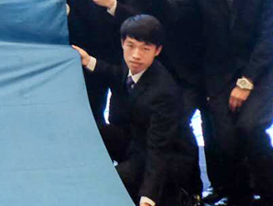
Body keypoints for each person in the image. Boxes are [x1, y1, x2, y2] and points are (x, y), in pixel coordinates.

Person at [153, 0, 273, 206]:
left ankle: (271, 196)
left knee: (250, 127)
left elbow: (269, 38)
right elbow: (176, 19)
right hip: (221, 73)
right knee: (224, 136)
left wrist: (247, 81)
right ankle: (238, 196)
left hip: (264, 69)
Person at [71, 16, 202, 206]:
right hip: (136, 140)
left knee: (113, 182)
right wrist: (88, 61)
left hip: (168, 156)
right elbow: (117, 74)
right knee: (92, 130)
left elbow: (159, 149)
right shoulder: (134, 64)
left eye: (145, 49)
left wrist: (149, 197)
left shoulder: (163, 92)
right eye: (131, 46)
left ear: (157, 50)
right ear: (122, 43)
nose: (136, 55)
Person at [52, 0, 146, 123]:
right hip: (85, 65)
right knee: (90, 121)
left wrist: (112, 5)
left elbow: (140, 20)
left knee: (126, 121)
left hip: (122, 62)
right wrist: (63, 12)